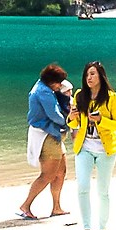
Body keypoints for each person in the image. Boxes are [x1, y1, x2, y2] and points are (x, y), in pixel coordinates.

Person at [68, 61, 116, 230]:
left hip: (106, 150)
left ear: (101, 76)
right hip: (84, 147)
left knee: (103, 191)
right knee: (82, 188)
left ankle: (102, 228)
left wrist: (101, 120)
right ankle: (86, 229)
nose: (89, 78)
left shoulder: (111, 98)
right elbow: (74, 125)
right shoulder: (79, 95)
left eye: (92, 74)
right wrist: (71, 117)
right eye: (86, 75)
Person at [19, 64, 71, 219]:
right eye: (58, 83)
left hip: (52, 133)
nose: (60, 86)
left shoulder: (42, 86)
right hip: (46, 135)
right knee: (48, 174)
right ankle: (25, 205)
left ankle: (56, 207)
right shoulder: (44, 92)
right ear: (51, 81)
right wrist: (69, 122)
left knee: (61, 172)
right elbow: (54, 115)